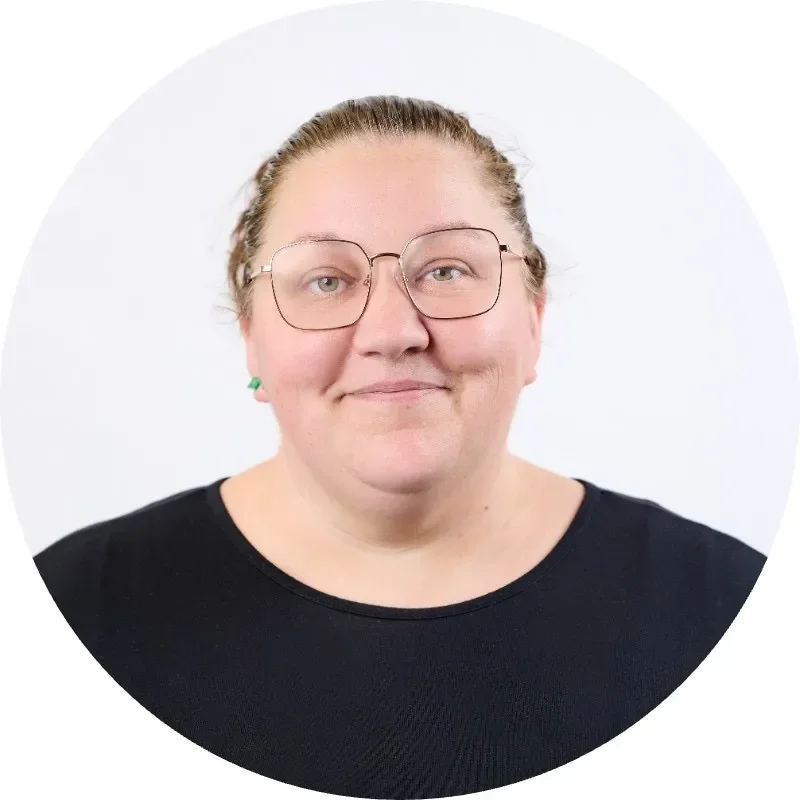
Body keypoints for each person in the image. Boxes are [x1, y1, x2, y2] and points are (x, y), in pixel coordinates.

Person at [34, 96, 765, 799]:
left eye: (446, 271)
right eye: (325, 280)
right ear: (252, 338)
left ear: (534, 323)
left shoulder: (732, 615)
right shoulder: (66, 617)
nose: (392, 331)